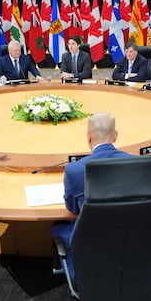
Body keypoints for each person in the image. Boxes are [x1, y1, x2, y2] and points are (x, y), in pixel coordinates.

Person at [51, 112, 131, 280]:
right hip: (130, 242)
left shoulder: (74, 170)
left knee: (57, 227)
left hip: (90, 245)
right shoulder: (137, 164)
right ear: (115, 136)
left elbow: (72, 209)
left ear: (88, 136)